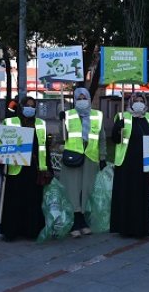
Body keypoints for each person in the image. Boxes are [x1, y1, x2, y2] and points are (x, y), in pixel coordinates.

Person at [0, 96, 52, 241]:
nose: (30, 108)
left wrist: (48, 168)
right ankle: (11, 232)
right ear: (21, 107)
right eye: (27, 105)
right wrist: (1, 165)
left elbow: (44, 147)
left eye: (33, 106)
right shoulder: (10, 122)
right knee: (14, 201)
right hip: (15, 167)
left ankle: (32, 231)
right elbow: (1, 145)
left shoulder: (41, 124)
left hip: (35, 169)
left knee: (33, 201)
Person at [58, 88, 106, 238]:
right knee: (72, 190)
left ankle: (83, 221)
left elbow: (102, 138)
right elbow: (62, 136)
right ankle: (74, 222)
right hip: (72, 157)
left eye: (84, 97)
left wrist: (103, 157)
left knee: (87, 190)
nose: (82, 100)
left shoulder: (97, 115)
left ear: (90, 98)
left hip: (90, 157)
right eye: (79, 98)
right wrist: (62, 121)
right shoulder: (69, 115)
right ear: (74, 100)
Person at [110, 93, 149, 238]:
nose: (139, 103)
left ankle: (142, 228)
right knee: (127, 195)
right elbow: (115, 139)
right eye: (135, 101)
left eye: (141, 100)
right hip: (127, 163)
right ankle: (126, 228)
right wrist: (118, 128)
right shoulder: (122, 116)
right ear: (130, 103)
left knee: (143, 195)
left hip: (146, 164)